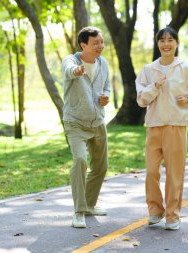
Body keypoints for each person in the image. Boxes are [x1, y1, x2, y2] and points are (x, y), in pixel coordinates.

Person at [135, 27, 188, 230]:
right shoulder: (149, 69)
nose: (166, 44)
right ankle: (155, 211)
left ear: (176, 43)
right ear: (157, 43)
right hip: (154, 126)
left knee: (175, 173)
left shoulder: (185, 68)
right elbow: (141, 100)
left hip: (177, 127)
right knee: (151, 171)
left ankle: (173, 215)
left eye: (170, 40)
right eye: (162, 40)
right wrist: (154, 87)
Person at [62, 27, 111, 228]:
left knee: (101, 166)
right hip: (75, 121)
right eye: (95, 43)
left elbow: (106, 86)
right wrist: (76, 71)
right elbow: (68, 70)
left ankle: (90, 204)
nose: (100, 46)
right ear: (84, 45)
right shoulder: (71, 61)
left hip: (98, 121)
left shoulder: (103, 63)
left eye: (101, 42)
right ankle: (79, 211)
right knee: (80, 160)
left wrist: (105, 97)